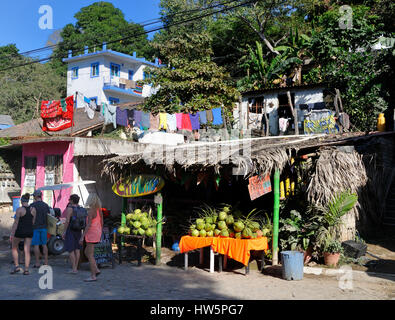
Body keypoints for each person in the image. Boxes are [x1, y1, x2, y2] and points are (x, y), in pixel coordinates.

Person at [9, 193, 37, 275]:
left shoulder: (19, 210)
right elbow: (33, 222)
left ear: (21, 201)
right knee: (27, 250)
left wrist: (12, 233)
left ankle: (17, 266)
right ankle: (26, 270)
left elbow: (16, 223)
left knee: (14, 248)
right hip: (29, 231)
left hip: (20, 231)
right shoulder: (33, 209)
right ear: (28, 201)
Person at [80, 194, 103, 282]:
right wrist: (100, 232)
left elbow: (88, 225)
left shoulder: (91, 211)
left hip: (91, 233)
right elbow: (102, 222)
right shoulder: (99, 210)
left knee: (90, 255)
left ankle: (93, 276)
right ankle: (96, 270)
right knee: (87, 252)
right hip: (97, 232)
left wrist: (82, 237)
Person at [62, 194, 83, 274]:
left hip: (71, 230)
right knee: (77, 249)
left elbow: (67, 221)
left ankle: (74, 268)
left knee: (71, 249)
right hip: (78, 230)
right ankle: (76, 267)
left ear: (71, 200)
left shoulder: (70, 209)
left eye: (69, 199)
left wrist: (64, 231)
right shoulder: (80, 208)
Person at [30, 190, 50, 268]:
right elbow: (49, 216)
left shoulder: (32, 205)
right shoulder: (45, 205)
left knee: (36, 245)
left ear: (35, 196)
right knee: (44, 245)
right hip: (44, 227)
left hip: (35, 227)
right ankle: (46, 262)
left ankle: (37, 263)